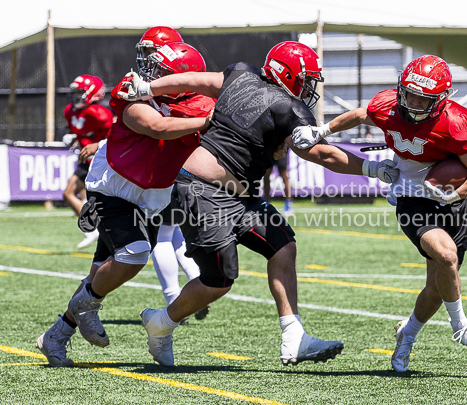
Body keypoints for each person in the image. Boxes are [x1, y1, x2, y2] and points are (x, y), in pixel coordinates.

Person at [119, 41, 399, 367]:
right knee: (220, 278)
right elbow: (319, 152)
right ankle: (161, 323)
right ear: (291, 74)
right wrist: (371, 168)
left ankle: (293, 336)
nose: (310, 87)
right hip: (202, 191)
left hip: (239, 197)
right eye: (307, 79)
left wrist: (147, 86)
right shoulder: (289, 107)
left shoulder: (241, 73)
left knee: (282, 245)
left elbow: (195, 80)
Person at [292, 54, 467, 372]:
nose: (413, 102)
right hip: (410, 197)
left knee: (435, 287)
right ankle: (461, 328)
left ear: (441, 99)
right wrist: (322, 131)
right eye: (410, 93)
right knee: (446, 257)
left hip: (447, 200)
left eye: (423, 97)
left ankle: (407, 335)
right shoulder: (388, 106)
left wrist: (452, 194)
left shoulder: (455, 123)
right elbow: (362, 114)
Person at [36, 42, 215, 366]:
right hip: (114, 185)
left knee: (100, 270)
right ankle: (87, 303)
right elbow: (153, 126)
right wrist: (206, 121)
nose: (151, 75)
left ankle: (57, 334)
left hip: (150, 192)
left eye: (160, 70)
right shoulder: (134, 90)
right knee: (134, 254)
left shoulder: (201, 102)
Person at [135, 27, 209, 323]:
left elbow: (157, 127)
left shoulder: (170, 96)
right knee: (175, 233)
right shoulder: (197, 96)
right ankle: (195, 280)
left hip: (173, 174)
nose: (147, 63)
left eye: (152, 55)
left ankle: (176, 298)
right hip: (197, 177)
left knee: (161, 239)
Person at [63, 75, 114, 249]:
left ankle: (94, 227)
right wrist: (76, 138)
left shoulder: (100, 113)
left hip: (101, 161)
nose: (77, 96)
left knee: (74, 193)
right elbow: (82, 132)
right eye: (75, 92)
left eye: (81, 92)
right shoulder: (71, 111)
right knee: (70, 193)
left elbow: (113, 135)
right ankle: (92, 227)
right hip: (87, 160)